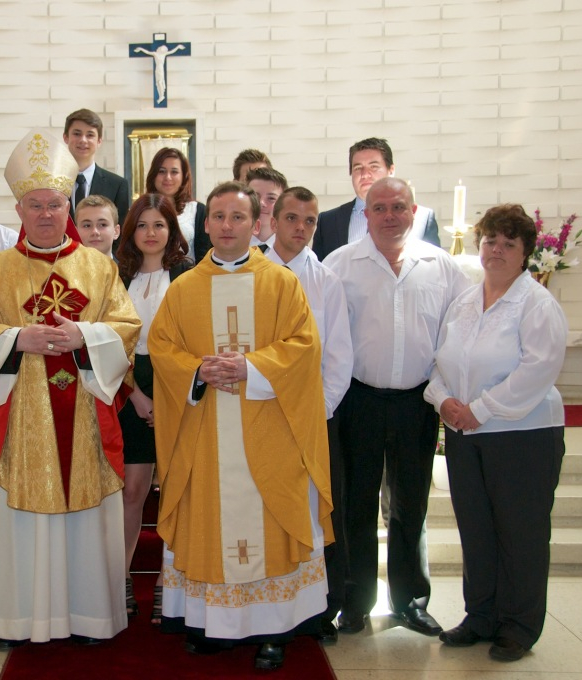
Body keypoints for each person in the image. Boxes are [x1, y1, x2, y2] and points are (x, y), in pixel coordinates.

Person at [0, 128, 141, 650]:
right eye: (34, 205)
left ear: (67, 206)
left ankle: (88, 617)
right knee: (18, 522)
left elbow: (126, 327)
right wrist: (17, 338)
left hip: (83, 414)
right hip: (19, 417)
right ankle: (16, 621)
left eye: (54, 204)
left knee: (85, 520)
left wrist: (84, 335)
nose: (45, 214)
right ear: (18, 209)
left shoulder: (98, 267)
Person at [148, 181, 333, 671]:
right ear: (206, 224)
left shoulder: (281, 284)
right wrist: (196, 370)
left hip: (269, 429)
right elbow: (162, 349)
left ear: (257, 224)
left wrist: (250, 367)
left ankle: (273, 628)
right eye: (219, 216)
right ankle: (213, 626)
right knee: (209, 519)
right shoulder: (183, 288)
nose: (227, 226)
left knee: (269, 523)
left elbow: (304, 347)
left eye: (238, 217)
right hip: (206, 433)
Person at [324, 177, 469, 638]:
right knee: (356, 503)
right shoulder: (340, 264)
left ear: (414, 211)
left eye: (399, 207)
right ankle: (355, 601)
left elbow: (459, 334)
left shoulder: (441, 266)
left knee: (411, 503)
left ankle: (410, 601)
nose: (390, 216)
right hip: (359, 399)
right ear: (365, 215)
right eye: (380, 208)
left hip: (416, 401)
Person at [425, 204, 568, 662]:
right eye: (490, 241)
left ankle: (518, 626)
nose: (497, 250)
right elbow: (439, 361)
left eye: (509, 244)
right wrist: (443, 400)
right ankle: (481, 616)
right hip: (466, 433)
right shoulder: (464, 302)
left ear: (525, 252)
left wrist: (480, 410)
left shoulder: (536, 303)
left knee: (520, 532)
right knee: (477, 528)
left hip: (522, 434)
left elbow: (538, 369)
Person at [265, 186, 353, 643]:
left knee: (317, 513)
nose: (301, 228)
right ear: (273, 220)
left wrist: (316, 414)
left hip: (312, 420)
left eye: (310, 221)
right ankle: (265, 606)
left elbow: (338, 356)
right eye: (292, 218)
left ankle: (318, 610)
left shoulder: (326, 282)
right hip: (257, 416)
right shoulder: (249, 272)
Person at [113, 193, 192, 620]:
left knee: (176, 490)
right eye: (142, 225)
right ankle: (121, 577)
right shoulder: (116, 275)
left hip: (177, 386)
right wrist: (136, 394)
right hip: (129, 385)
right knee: (133, 489)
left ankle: (168, 580)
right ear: (131, 231)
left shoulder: (188, 276)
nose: (150, 233)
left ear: (171, 230)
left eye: (159, 224)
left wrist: (167, 395)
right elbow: (108, 341)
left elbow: (194, 340)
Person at [314, 137, 440, 261]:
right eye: (358, 168)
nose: (365, 175)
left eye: (373, 167)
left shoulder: (423, 218)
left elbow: (434, 266)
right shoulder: (328, 222)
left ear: (391, 170)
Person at [63, 108, 130, 225]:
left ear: (99, 141)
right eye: (77, 134)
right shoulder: (51, 181)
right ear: (66, 137)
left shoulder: (117, 185)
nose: (83, 140)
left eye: (90, 135)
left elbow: (121, 231)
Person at [145, 146, 211, 262]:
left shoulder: (198, 211)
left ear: (183, 176)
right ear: (153, 175)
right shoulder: (141, 210)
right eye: (162, 171)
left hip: (190, 272)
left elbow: (204, 256)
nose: (168, 177)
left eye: (174, 172)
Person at [246, 166, 287, 247]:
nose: (261, 203)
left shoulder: (293, 250)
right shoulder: (228, 249)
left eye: (271, 198)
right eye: (255, 196)